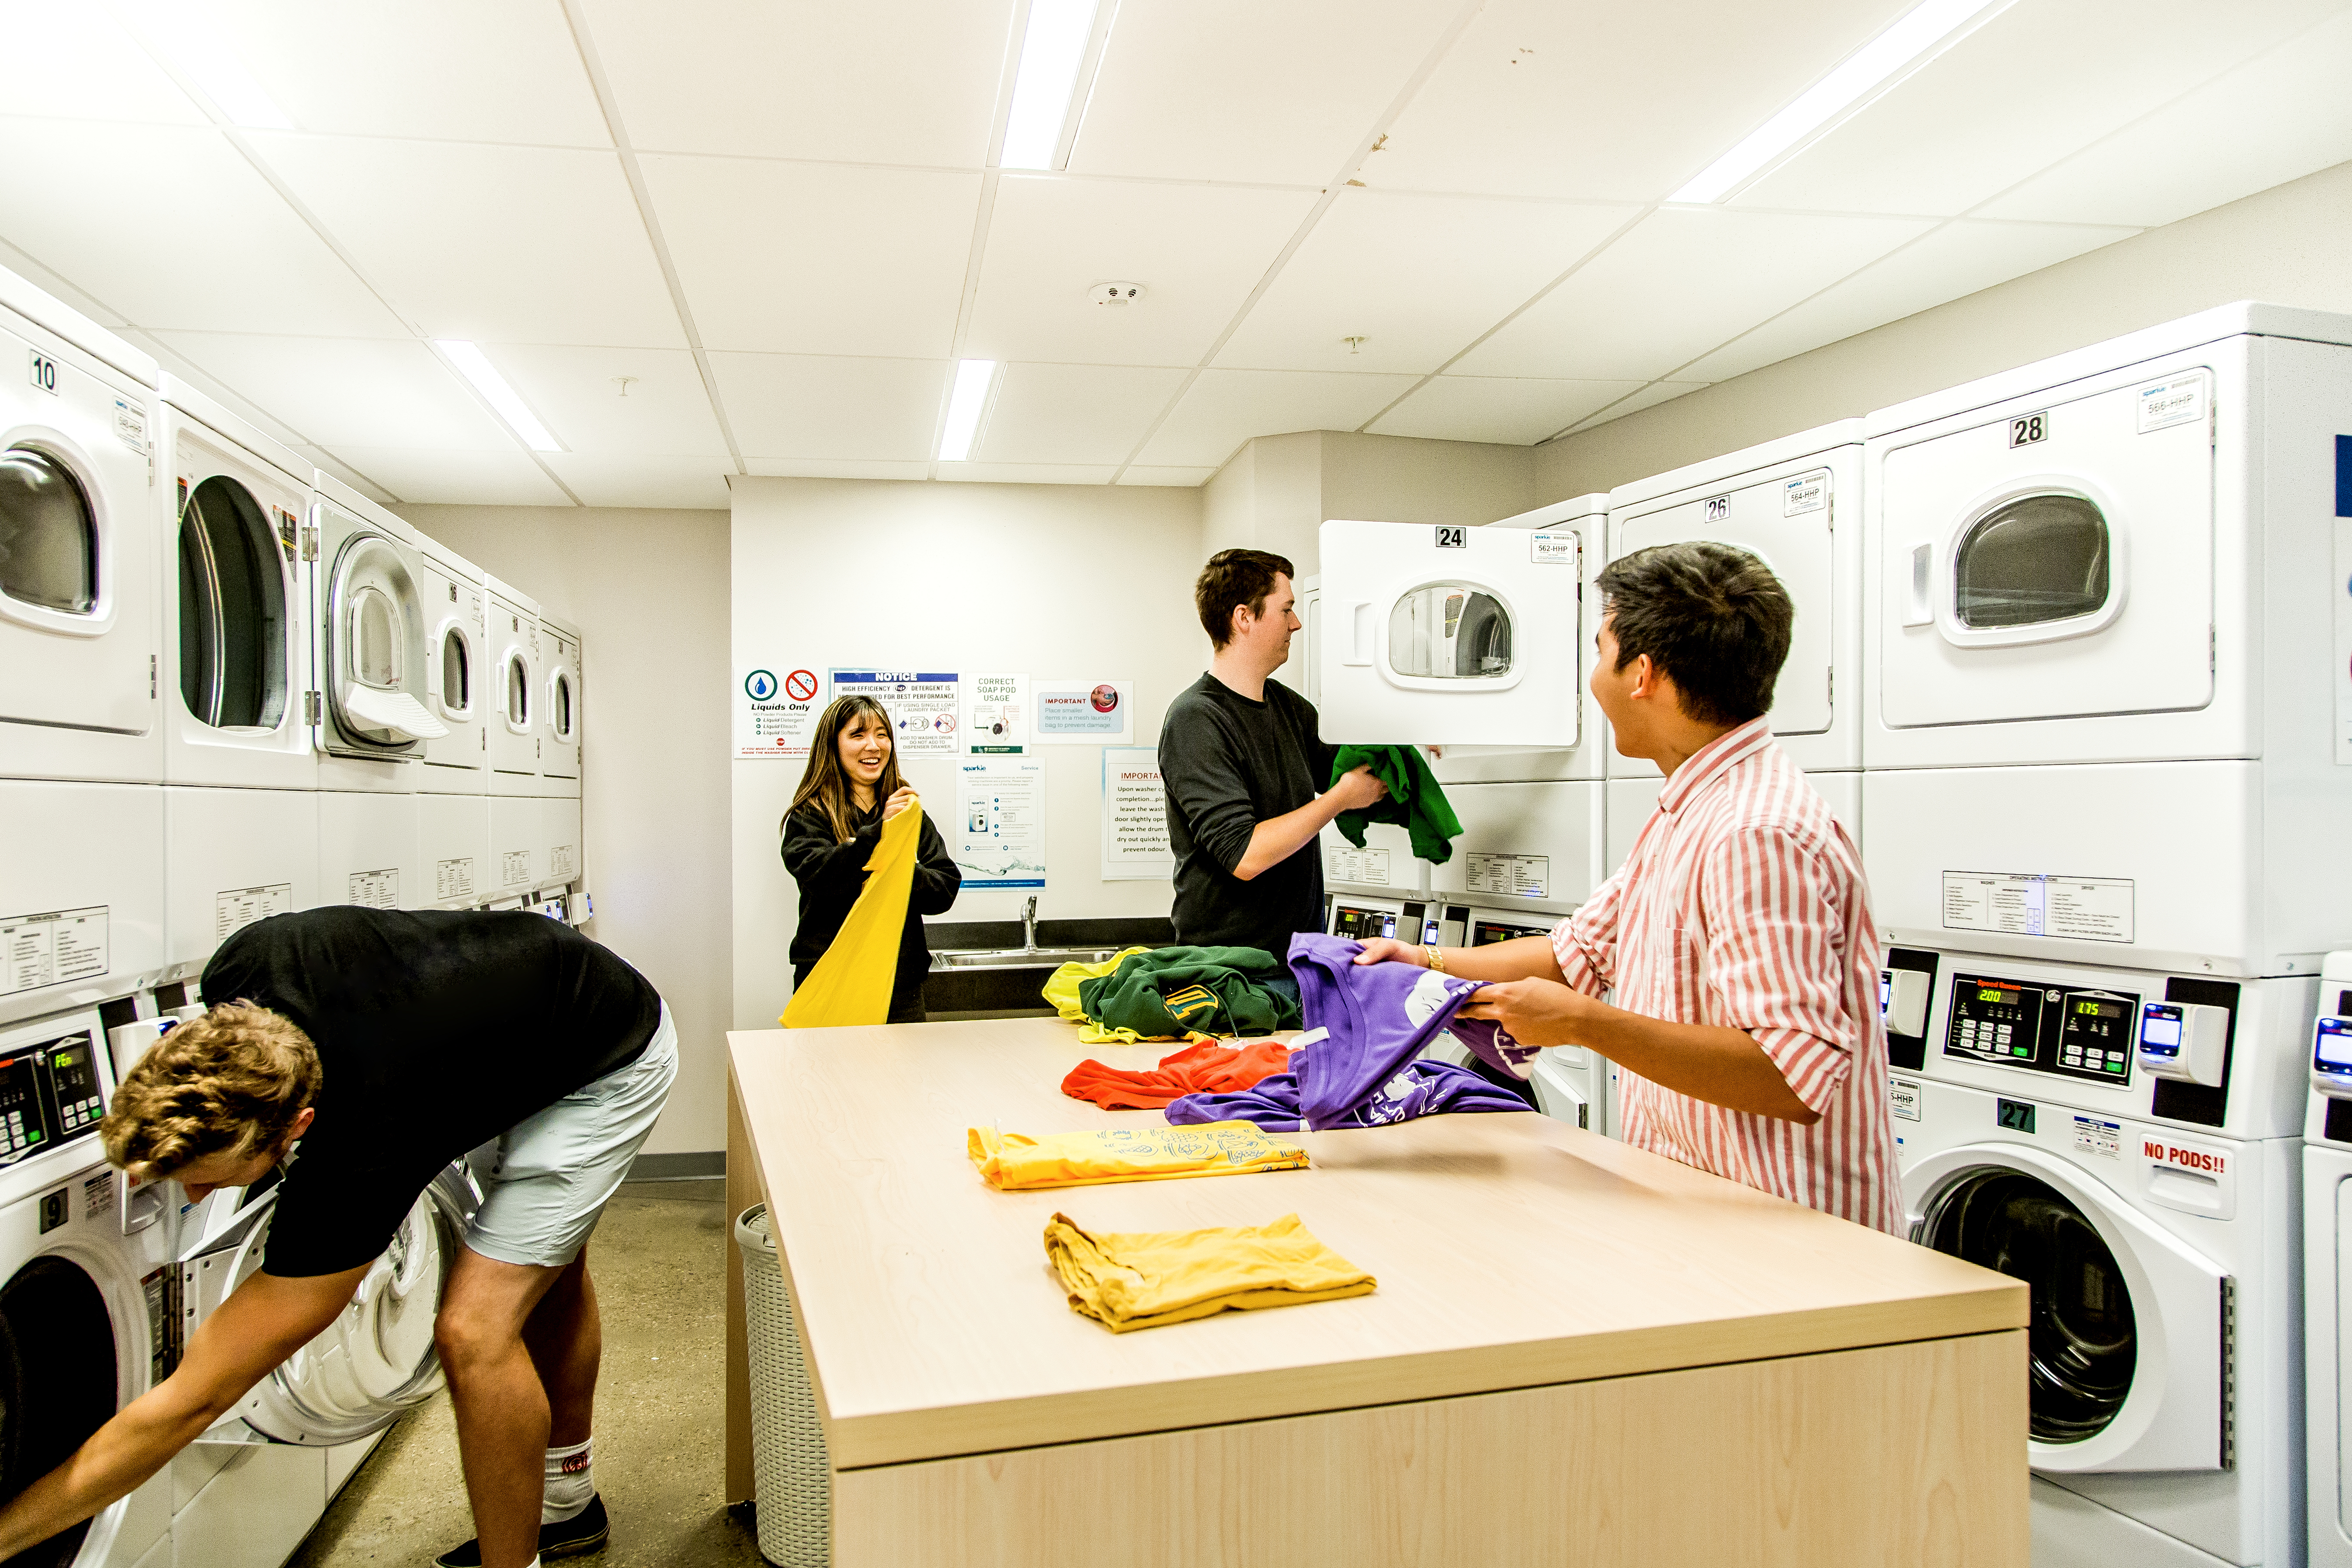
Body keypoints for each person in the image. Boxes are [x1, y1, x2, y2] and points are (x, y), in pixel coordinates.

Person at [0, 906, 678, 1568]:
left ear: (299, 1127)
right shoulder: (243, 964)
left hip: (607, 1049)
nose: (195, 1196)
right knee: (543, 1263)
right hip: (499, 1013)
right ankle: (568, 1501)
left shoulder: (363, 1151)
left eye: (209, 1179)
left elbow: (191, 1400)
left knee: (476, 1330)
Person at [1355, 541, 1900, 1233]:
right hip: (1701, 1208)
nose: (1591, 676)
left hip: (1790, 1232)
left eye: (1600, 648)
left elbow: (1788, 1073)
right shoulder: (1692, 806)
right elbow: (1572, 953)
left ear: (1641, 672)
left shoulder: (1755, 830)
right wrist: (1424, 962)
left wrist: (1581, 1022)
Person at [1159, 549, 1388, 960]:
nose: (1296, 624)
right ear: (1244, 617)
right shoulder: (1196, 720)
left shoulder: (1290, 709)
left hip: (1301, 964)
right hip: (1230, 975)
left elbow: (1357, 772)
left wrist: (1408, 736)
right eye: (1286, 610)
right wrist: (1339, 800)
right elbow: (1245, 854)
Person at [782, 693, 961, 1022]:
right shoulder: (809, 816)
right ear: (832, 745)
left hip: (900, 984)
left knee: (902, 1075)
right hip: (829, 977)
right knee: (828, 1074)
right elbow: (823, 878)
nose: (874, 745)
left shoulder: (909, 813)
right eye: (858, 734)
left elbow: (944, 889)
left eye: (882, 734)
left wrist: (896, 867)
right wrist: (878, 836)